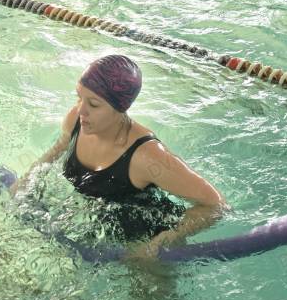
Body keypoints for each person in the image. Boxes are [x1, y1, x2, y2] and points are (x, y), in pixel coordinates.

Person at [14, 54, 225, 257]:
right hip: (94, 228)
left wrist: (158, 243)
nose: (81, 110)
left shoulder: (147, 156)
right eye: (79, 97)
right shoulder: (76, 120)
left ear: (120, 108)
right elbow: (55, 151)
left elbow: (214, 205)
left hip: (141, 239)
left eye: (93, 104)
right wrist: (23, 184)